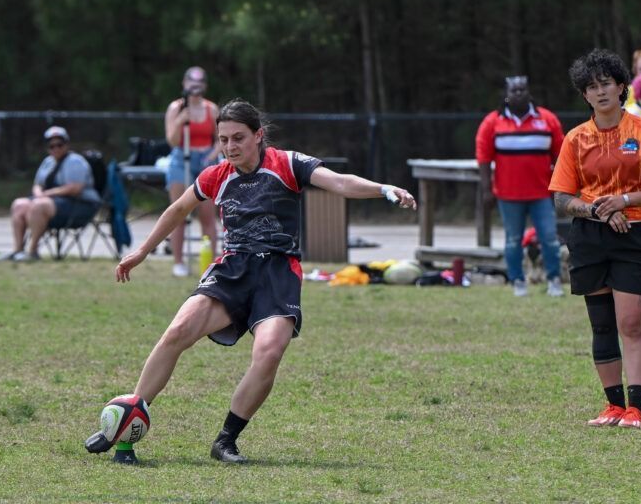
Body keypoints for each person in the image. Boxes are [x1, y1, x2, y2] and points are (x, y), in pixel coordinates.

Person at [85, 99, 417, 464]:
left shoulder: (288, 163)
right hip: (233, 270)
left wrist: (383, 188)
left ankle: (226, 440)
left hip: (277, 273)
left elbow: (339, 182)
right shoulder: (215, 175)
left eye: (238, 138)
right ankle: (125, 420)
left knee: (269, 352)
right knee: (178, 331)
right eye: (223, 139)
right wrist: (142, 252)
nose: (230, 147)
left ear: (258, 135)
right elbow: (178, 209)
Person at [550, 48, 641, 429]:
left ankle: (635, 408)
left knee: (632, 323)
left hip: (636, 234)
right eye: (591, 87)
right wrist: (598, 210)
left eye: (606, 83)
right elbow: (561, 198)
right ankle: (613, 406)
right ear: (584, 95)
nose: (600, 91)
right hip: (591, 235)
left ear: (622, 86)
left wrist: (624, 200)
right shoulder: (575, 139)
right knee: (602, 325)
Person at [476, 75, 566, 297]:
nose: (518, 94)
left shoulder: (547, 120)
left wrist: (564, 185)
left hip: (542, 193)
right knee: (513, 240)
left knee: (549, 238)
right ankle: (518, 281)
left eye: (522, 90)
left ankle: (554, 279)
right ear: (506, 94)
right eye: (514, 90)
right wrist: (487, 190)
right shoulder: (492, 122)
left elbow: (562, 154)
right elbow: (484, 158)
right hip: (508, 195)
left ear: (529, 93)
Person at [0, 126, 101, 262]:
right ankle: (17, 250)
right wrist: (39, 193)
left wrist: (46, 194)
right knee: (19, 204)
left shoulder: (75, 161)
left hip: (78, 205)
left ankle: (32, 251)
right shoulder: (48, 162)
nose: (56, 149)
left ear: (67, 144)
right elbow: (38, 184)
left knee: (39, 205)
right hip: (52, 203)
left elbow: (75, 188)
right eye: (51, 146)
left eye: (59, 144)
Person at [161, 66, 221, 277]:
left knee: (207, 216)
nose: (195, 88)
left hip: (204, 159)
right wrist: (180, 119)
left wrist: (212, 156)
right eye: (191, 83)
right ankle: (178, 262)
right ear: (184, 84)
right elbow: (172, 140)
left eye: (199, 84)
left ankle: (210, 265)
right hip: (180, 159)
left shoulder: (211, 109)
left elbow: (221, 138)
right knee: (178, 212)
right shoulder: (175, 108)